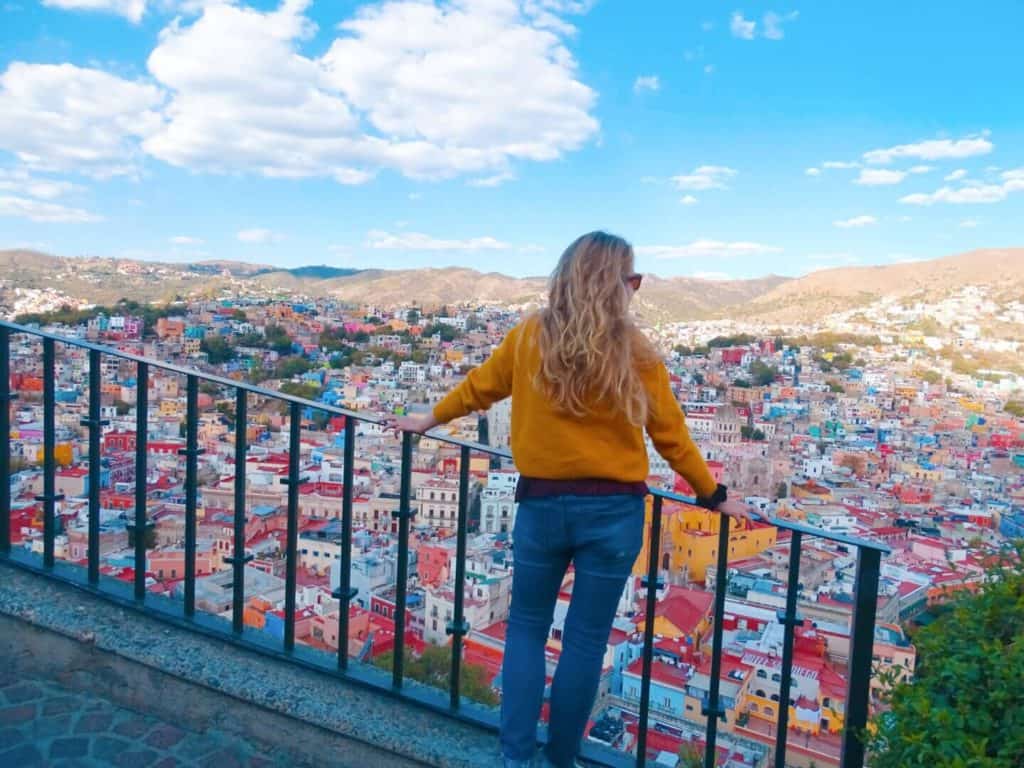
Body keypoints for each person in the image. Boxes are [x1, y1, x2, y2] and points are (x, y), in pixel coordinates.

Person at [394, 231, 754, 768]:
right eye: (632, 281)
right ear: (624, 286)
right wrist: (713, 494)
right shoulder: (638, 353)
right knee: (584, 645)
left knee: (525, 631)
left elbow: (479, 388)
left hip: (541, 507)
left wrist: (429, 419)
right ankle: (563, 760)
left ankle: (515, 758)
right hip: (614, 517)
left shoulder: (529, 337)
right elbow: (672, 435)